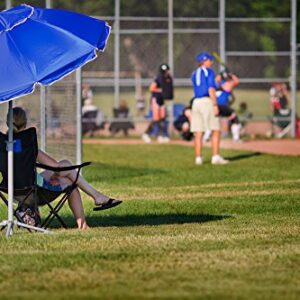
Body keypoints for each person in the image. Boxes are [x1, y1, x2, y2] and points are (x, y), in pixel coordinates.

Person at [8, 107, 122, 230]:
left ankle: (94, 203)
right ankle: (88, 214)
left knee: (68, 178)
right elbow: (55, 167)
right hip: (35, 192)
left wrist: (56, 175)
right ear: (25, 122)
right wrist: (58, 173)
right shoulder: (27, 145)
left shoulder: (3, 144)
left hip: (12, 190)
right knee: (67, 172)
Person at [190, 52, 228, 165]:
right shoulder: (209, 72)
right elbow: (211, 89)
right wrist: (215, 105)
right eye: (210, 60)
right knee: (215, 130)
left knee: (198, 132)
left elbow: (201, 85)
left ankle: (198, 158)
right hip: (206, 101)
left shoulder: (194, 73)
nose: (211, 62)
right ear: (204, 61)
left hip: (196, 102)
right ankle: (215, 156)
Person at [142, 63, 174, 143]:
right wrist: (161, 91)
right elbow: (152, 88)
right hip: (156, 99)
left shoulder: (167, 79)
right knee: (156, 118)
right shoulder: (158, 78)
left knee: (162, 117)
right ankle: (146, 134)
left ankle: (162, 135)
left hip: (161, 100)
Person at [215, 70, 241, 141]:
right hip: (223, 106)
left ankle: (206, 137)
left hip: (214, 106)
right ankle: (236, 138)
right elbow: (237, 81)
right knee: (234, 117)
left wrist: (220, 75)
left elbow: (216, 79)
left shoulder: (214, 84)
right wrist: (231, 74)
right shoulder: (228, 84)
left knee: (212, 121)